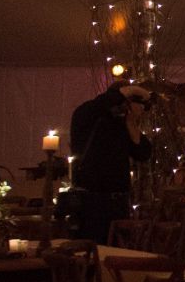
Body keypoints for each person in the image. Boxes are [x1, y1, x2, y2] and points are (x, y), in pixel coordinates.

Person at [65, 82, 156, 242]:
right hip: (92, 201)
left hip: (118, 202)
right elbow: (103, 102)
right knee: (94, 249)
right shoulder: (89, 115)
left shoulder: (122, 126)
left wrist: (131, 122)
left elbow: (143, 153)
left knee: (116, 250)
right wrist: (133, 90)